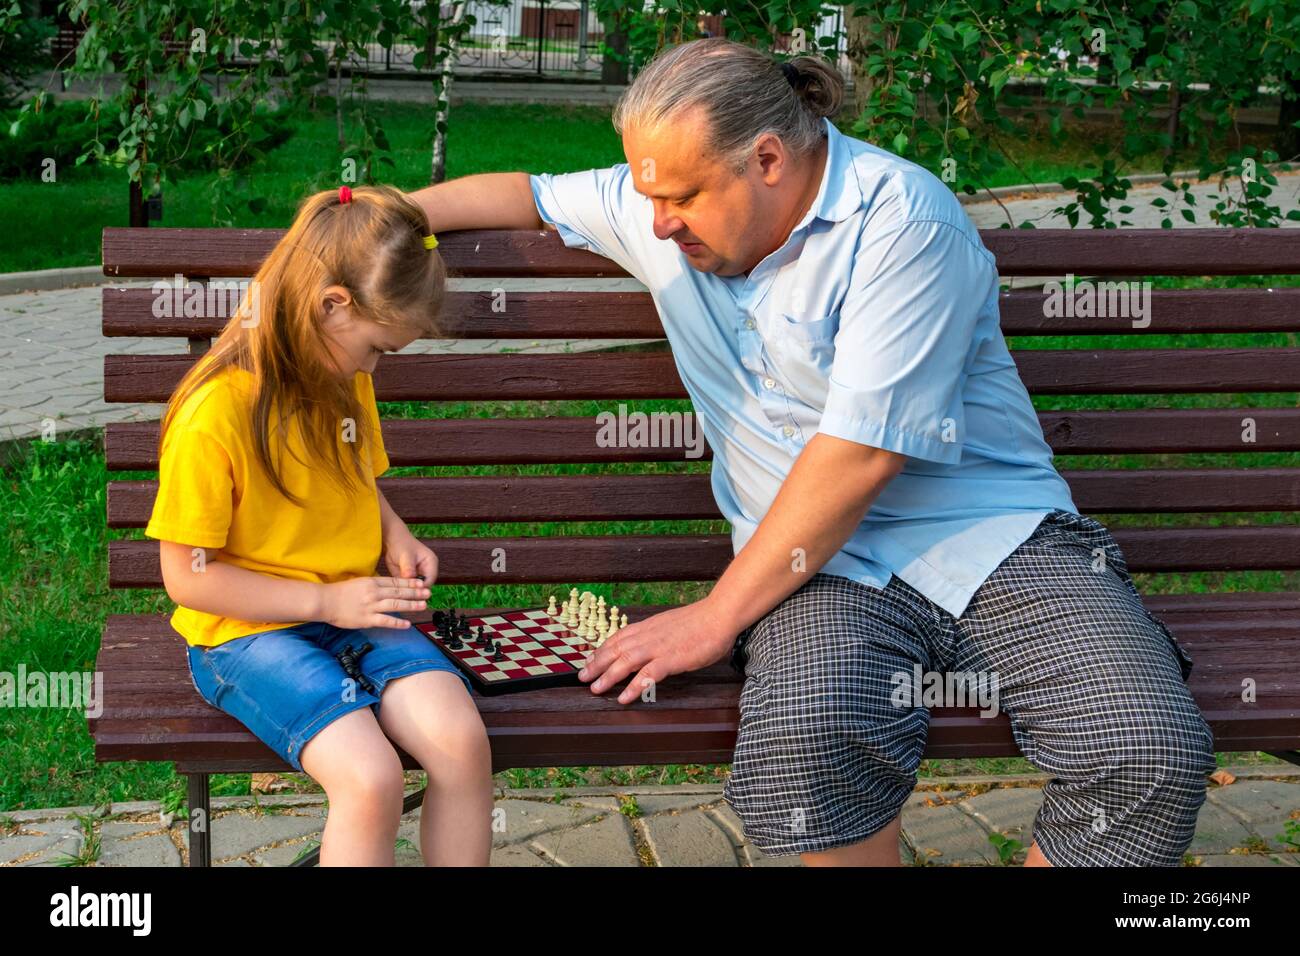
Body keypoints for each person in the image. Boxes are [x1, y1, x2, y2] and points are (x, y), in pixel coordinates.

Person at [404, 37, 1216, 867]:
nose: (656, 221)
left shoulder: (902, 220)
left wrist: (714, 619)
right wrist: (379, 207)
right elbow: (528, 194)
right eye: (646, 191)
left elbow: (862, 454)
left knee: (1144, 747)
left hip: (994, 539)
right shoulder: (662, 207)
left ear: (766, 159)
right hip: (815, 570)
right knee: (808, 742)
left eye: (681, 193)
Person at [146, 184, 493, 866]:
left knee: (462, 741)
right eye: (375, 348)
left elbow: (357, 476)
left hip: (349, 610)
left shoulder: (342, 377)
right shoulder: (214, 415)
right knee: (370, 779)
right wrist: (324, 600)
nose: (372, 368)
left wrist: (394, 531)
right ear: (332, 304)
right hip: (243, 635)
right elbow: (188, 578)